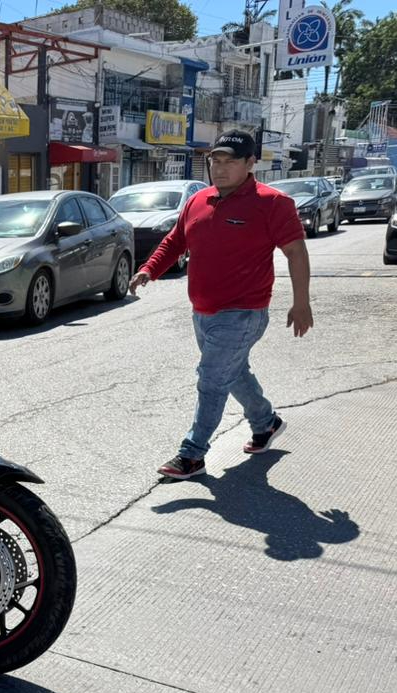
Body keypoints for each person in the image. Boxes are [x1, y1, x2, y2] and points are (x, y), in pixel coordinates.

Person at [129, 129, 314, 480]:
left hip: (243, 311)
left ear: (250, 163)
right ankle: (266, 422)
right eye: (216, 160)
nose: (221, 168)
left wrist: (301, 302)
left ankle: (193, 454)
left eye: (230, 161)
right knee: (233, 373)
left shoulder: (272, 203)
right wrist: (148, 269)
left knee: (212, 380)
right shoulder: (198, 200)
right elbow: (176, 240)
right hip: (203, 311)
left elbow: (295, 251)